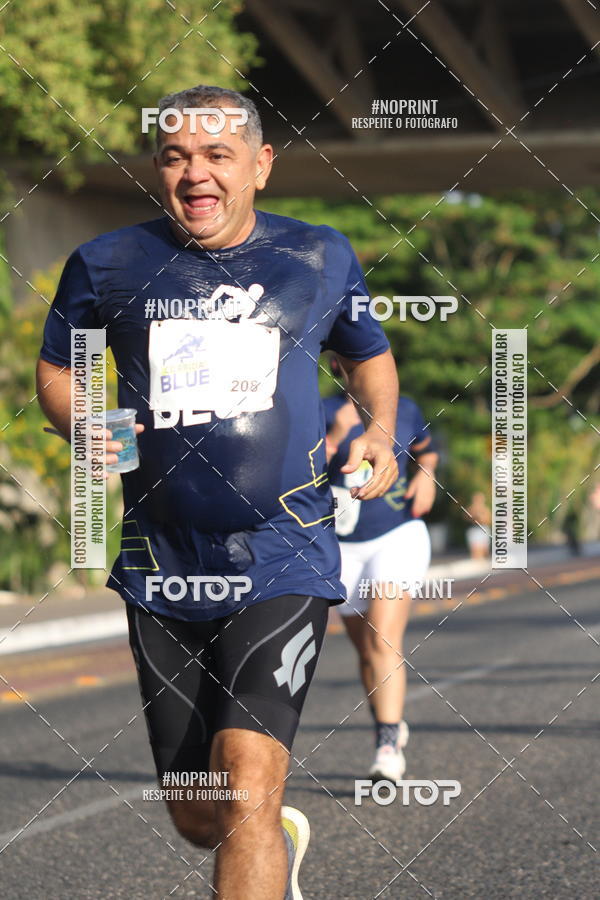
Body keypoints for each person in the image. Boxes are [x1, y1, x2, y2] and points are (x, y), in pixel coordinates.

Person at [36, 85, 399, 900]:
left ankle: (262, 822)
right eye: (176, 157)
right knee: (200, 814)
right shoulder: (106, 263)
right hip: (159, 563)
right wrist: (84, 421)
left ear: (261, 165)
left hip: (283, 553)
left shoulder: (318, 256)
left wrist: (377, 431)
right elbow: (59, 369)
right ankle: (273, 836)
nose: (195, 174)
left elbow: (365, 352)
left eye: (216, 155)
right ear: (157, 169)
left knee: (244, 788)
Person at [324, 362, 438, 780]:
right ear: (337, 367)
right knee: (366, 651)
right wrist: (336, 435)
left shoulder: (404, 409)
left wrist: (426, 473)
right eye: (344, 361)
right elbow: (298, 473)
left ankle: (387, 748)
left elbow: (426, 446)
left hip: (397, 534)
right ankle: (387, 725)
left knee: (383, 639)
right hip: (342, 549)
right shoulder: (320, 411)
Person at [465, 491, 491, 559]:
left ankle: (481, 561)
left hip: (483, 529)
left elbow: (488, 520)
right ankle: (476, 561)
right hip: (474, 529)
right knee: (475, 549)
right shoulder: (471, 509)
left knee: (484, 550)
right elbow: (466, 517)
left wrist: (481, 518)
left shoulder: (485, 509)